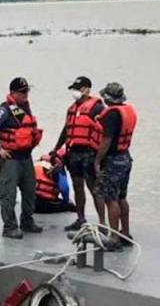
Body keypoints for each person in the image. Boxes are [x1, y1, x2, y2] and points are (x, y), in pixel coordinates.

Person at [0, 77, 44, 239]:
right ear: (13, 93)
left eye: (27, 91)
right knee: (9, 194)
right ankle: (9, 227)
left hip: (26, 157)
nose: (26, 94)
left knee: (30, 191)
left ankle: (27, 221)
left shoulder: (25, 108)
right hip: (10, 159)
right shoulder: (4, 110)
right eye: (22, 92)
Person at [51, 76, 105, 231]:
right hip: (73, 153)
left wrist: (101, 157)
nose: (75, 92)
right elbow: (66, 130)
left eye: (78, 88)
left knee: (94, 188)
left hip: (89, 153)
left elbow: (106, 132)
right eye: (74, 89)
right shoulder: (72, 109)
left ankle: (102, 223)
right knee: (77, 187)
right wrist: (56, 148)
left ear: (87, 88)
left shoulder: (97, 108)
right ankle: (80, 219)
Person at [94, 82, 137, 250]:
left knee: (110, 199)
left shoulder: (111, 116)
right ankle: (125, 233)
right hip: (126, 157)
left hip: (112, 160)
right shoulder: (127, 111)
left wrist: (97, 161)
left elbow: (106, 141)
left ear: (107, 98)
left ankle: (114, 238)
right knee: (122, 197)